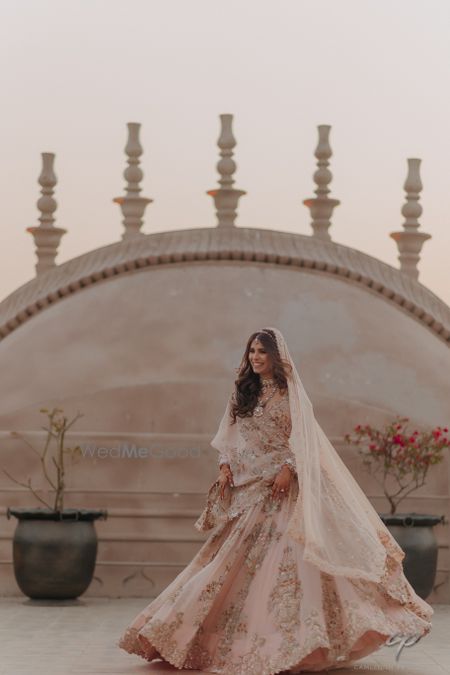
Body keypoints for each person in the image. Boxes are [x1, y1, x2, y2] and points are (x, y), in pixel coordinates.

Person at [117, 327, 433, 674]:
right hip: (251, 490)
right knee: (225, 564)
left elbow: (306, 441)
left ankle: (298, 645)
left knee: (295, 565)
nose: (255, 357)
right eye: (251, 351)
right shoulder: (243, 393)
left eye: (262, 352)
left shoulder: (291, 394)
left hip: (285, 491)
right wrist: (224, 469)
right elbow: (230, 440)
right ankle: (194, 636)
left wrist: (289, 468)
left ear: (276, 358)